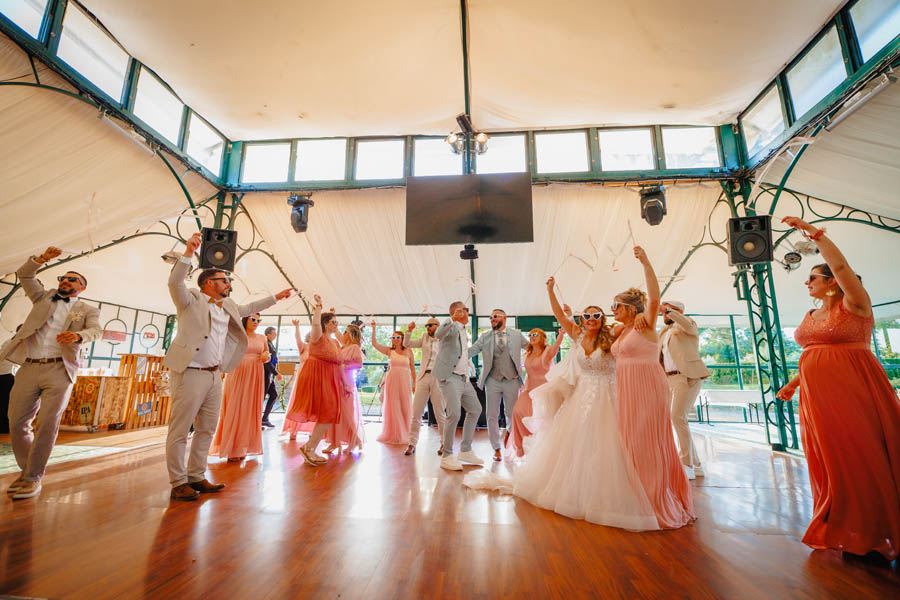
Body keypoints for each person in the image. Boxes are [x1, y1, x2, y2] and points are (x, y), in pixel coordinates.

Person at [464, 279, 660, 531]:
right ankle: (576, 488)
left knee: (607, 444)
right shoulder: (577, 335)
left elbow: (634, 322)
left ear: (602, 318)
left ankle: (603, 491)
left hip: (609, 397)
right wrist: (549, 291)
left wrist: (642, 313)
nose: (591, 318)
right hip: (581, 397)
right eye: (587, 315)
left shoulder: (613, 333)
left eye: (596, 315)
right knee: (576, 444)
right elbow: (559, 315)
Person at [776, 216, 900, 562]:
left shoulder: (855, 305)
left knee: (861, 456)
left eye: (812, 277)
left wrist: (815, 236)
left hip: (855, 392)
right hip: (817, 400)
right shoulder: (811, 314)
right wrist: (793, 383)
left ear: (831, 282)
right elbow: (813, 353)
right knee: (832, 462)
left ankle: (875, 530)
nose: (807, 283)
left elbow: (842, 266)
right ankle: (848, 526)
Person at [163, 233, 291, 501]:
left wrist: (275, 298)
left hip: (215, 375)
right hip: (190, 372)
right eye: (225, 280)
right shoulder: (191, 300)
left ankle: (196, 477)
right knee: (180, 429)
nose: (229, 284)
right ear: (208, 283)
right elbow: (175, 282)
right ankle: (178, 482)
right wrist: (188, 253)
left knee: (207, 428)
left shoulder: (229, 305)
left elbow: (249, 307)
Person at [1, 249, 101, 500]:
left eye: (72, 279)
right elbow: (24, 274)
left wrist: (78, 336)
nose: (65, 281)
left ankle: (33, 477)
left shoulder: (86, 309)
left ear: (82, 288)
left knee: (47, 423)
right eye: (62, 278)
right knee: (16, 421)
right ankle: (27, 471)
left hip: (60, 368)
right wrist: (42, 259)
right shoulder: (42, 298)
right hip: (29, 366)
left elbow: (96, 331)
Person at [608, 247, 694, 528]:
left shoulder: (646, 325)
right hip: (626, 390)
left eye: (616, 306)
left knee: (647, 440)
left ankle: (655, 498)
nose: (612, 310)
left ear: (631, 308)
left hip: (647, 387)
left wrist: (646, 262)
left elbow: (655, 298)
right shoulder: (622, 330)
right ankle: (635, 496)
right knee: (630, 441)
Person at [636, 300, 710, 480]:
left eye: (669, 311)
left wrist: (669, 309)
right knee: (678, 419)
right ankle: (697, 464)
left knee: (677, 416)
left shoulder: (688, 326)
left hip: (687, 376)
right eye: (664, 312)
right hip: (669, 378)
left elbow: (685, 322)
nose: (665, 314)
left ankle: (686, 464)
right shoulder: (664, 332)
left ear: (680, 312)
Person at [283, 295, 343, 466]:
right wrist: (318, 307)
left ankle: (310, 447)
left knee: (328, 413)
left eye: (337, 322)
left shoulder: (334, 342)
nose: (336, 325)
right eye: (334, 322)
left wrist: (344, 383)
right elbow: (316, 324)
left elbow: (345, 345)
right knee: (327, 412)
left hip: (330, 377)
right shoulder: (318, 336)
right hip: (318, 375)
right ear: (326, 324)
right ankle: (309, 448)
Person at [468, 309, 529, 461]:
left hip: (512, 379)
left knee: (511, 413)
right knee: (491, 415)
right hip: (492, 380)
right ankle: (496, 448)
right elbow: (473, 350)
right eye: (490, 317)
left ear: (504, 318)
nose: (492, 319)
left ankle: (511, 439)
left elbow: (531, 347)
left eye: (495, 316)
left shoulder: (516, 335)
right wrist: (454, 353)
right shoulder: (485, 336)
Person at [208, 313, 270, 461]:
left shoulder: (262, 338)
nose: (256, 322)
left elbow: (267, 353)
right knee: (235, 407)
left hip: (256, 373)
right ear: (246, 320)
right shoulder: (236, 335)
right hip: (238, 371)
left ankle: (243, 446)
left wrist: (266, 356)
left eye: (258, 320)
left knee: (249, 409)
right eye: (253, 319)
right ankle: (230, 448)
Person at [433, 301, 483, 471]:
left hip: (464, 378)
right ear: (458, 312)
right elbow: (438, 334)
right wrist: (451, 319)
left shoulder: (463, 331)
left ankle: (466, 450)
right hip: (449, 377)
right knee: (454, 414)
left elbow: (463, 353)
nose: (468, 313)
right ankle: (447, 455)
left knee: (475, 409)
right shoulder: (451, 327)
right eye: (465, 310)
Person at [507, 328, 565, 457]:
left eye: (535, 334)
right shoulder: (527, 354)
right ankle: (522, 445)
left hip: (544, 392)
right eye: (530, 335)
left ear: (543, 338)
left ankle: (543, 448)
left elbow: (556, 347)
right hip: (529, 390)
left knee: (543, 420)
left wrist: (561, 335)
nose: (531, 337)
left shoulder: (547, 352)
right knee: (517, 412)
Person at [403, 318, 447, 456]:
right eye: (426, 325)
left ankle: (445, 443)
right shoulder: (424, 337)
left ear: (438, 326)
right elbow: (407, 343)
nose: (427, 327)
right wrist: (409, 331)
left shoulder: (446, 338)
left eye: (430, 325)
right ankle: (411, 443)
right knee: (416, 412)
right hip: (423, 376)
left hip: (439, 378)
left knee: (440, 413)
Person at [322, 324, 365, 454]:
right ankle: (334, 442)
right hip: (335, 380)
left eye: (346, 332)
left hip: (346, 381)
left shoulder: (354, 348)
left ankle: (354, 441)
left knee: (346, 413)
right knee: (334, 412)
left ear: (351, 334)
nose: (344, 334)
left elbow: (358, 364)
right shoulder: (342, 347)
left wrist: (344, 365)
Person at [370, 323, 415, 445]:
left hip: (405, 380)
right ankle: (394, 433)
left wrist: (415, 383)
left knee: (405, 405)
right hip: (392, 380)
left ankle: (405, 432)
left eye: (397, 337)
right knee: (393, 405)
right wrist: (374, 329)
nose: (395, 339)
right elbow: (374, 344)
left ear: (402, 339)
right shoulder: (389, 351)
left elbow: (412, 368)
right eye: (393, 337)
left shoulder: (409, 351)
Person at [282, 319, 310, 440]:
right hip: (303, 379)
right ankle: (293, 430)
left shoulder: (320, 349)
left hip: (315, 380)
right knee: (299, 404)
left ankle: (311, 430)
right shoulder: (304, 347)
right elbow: (297, 339)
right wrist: (297, 326)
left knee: (312, 406)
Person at [261, 326, 281, 429]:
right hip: (265, 374)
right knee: (261, 398)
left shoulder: (270, 344)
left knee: (273, 395)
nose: (275, 335)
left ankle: (265, 418)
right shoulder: (266, 344)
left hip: (269, 375)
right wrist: (276, 372)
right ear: (268, 334)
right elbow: (266, 361)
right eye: (274, 333)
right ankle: (258, 420)